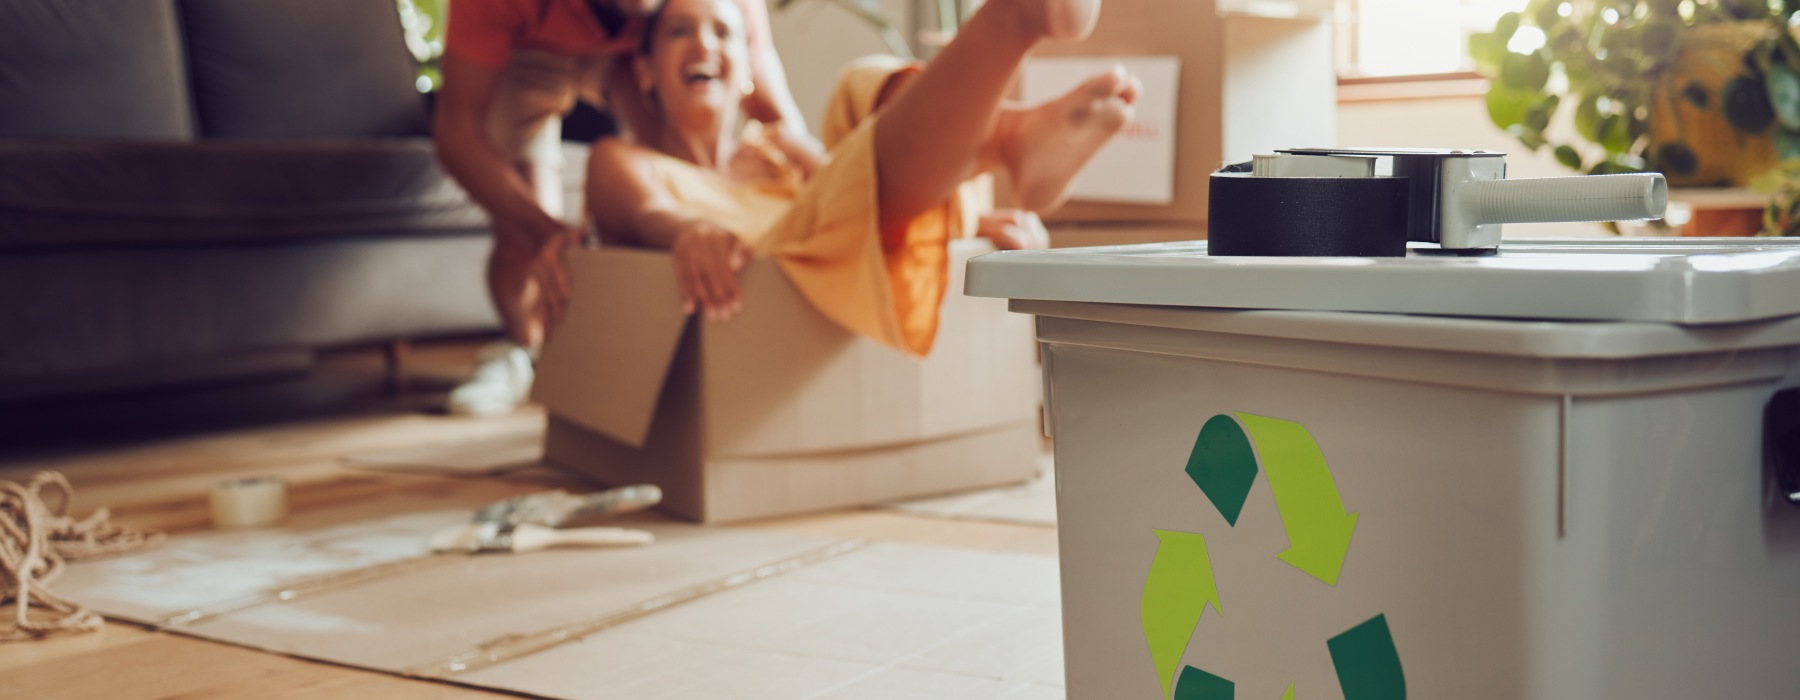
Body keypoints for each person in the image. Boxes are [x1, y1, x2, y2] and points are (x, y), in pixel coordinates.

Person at [585, 0, 1134, 355]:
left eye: (725, 33)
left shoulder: (779, 151)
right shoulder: (621, 158)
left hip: (852, 242)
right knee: (846, 195)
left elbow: (865, 183)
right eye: (681, 31)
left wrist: (971, 222)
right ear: (644, 69)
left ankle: (1009, 137)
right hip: (782, 258)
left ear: (748, 69)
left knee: (857, 89)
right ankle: (1007, 102)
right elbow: (648, 213)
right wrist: (687, 234)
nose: (705, 45)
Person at [432, 0, 816, 415]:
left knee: (672, 166)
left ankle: (680, 357)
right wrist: (545, 230)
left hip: (633, 43)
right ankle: (527, 347)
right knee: (528, 229)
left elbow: (776, 118)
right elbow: (457, 129)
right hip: (529, 47)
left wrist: (796, 177)